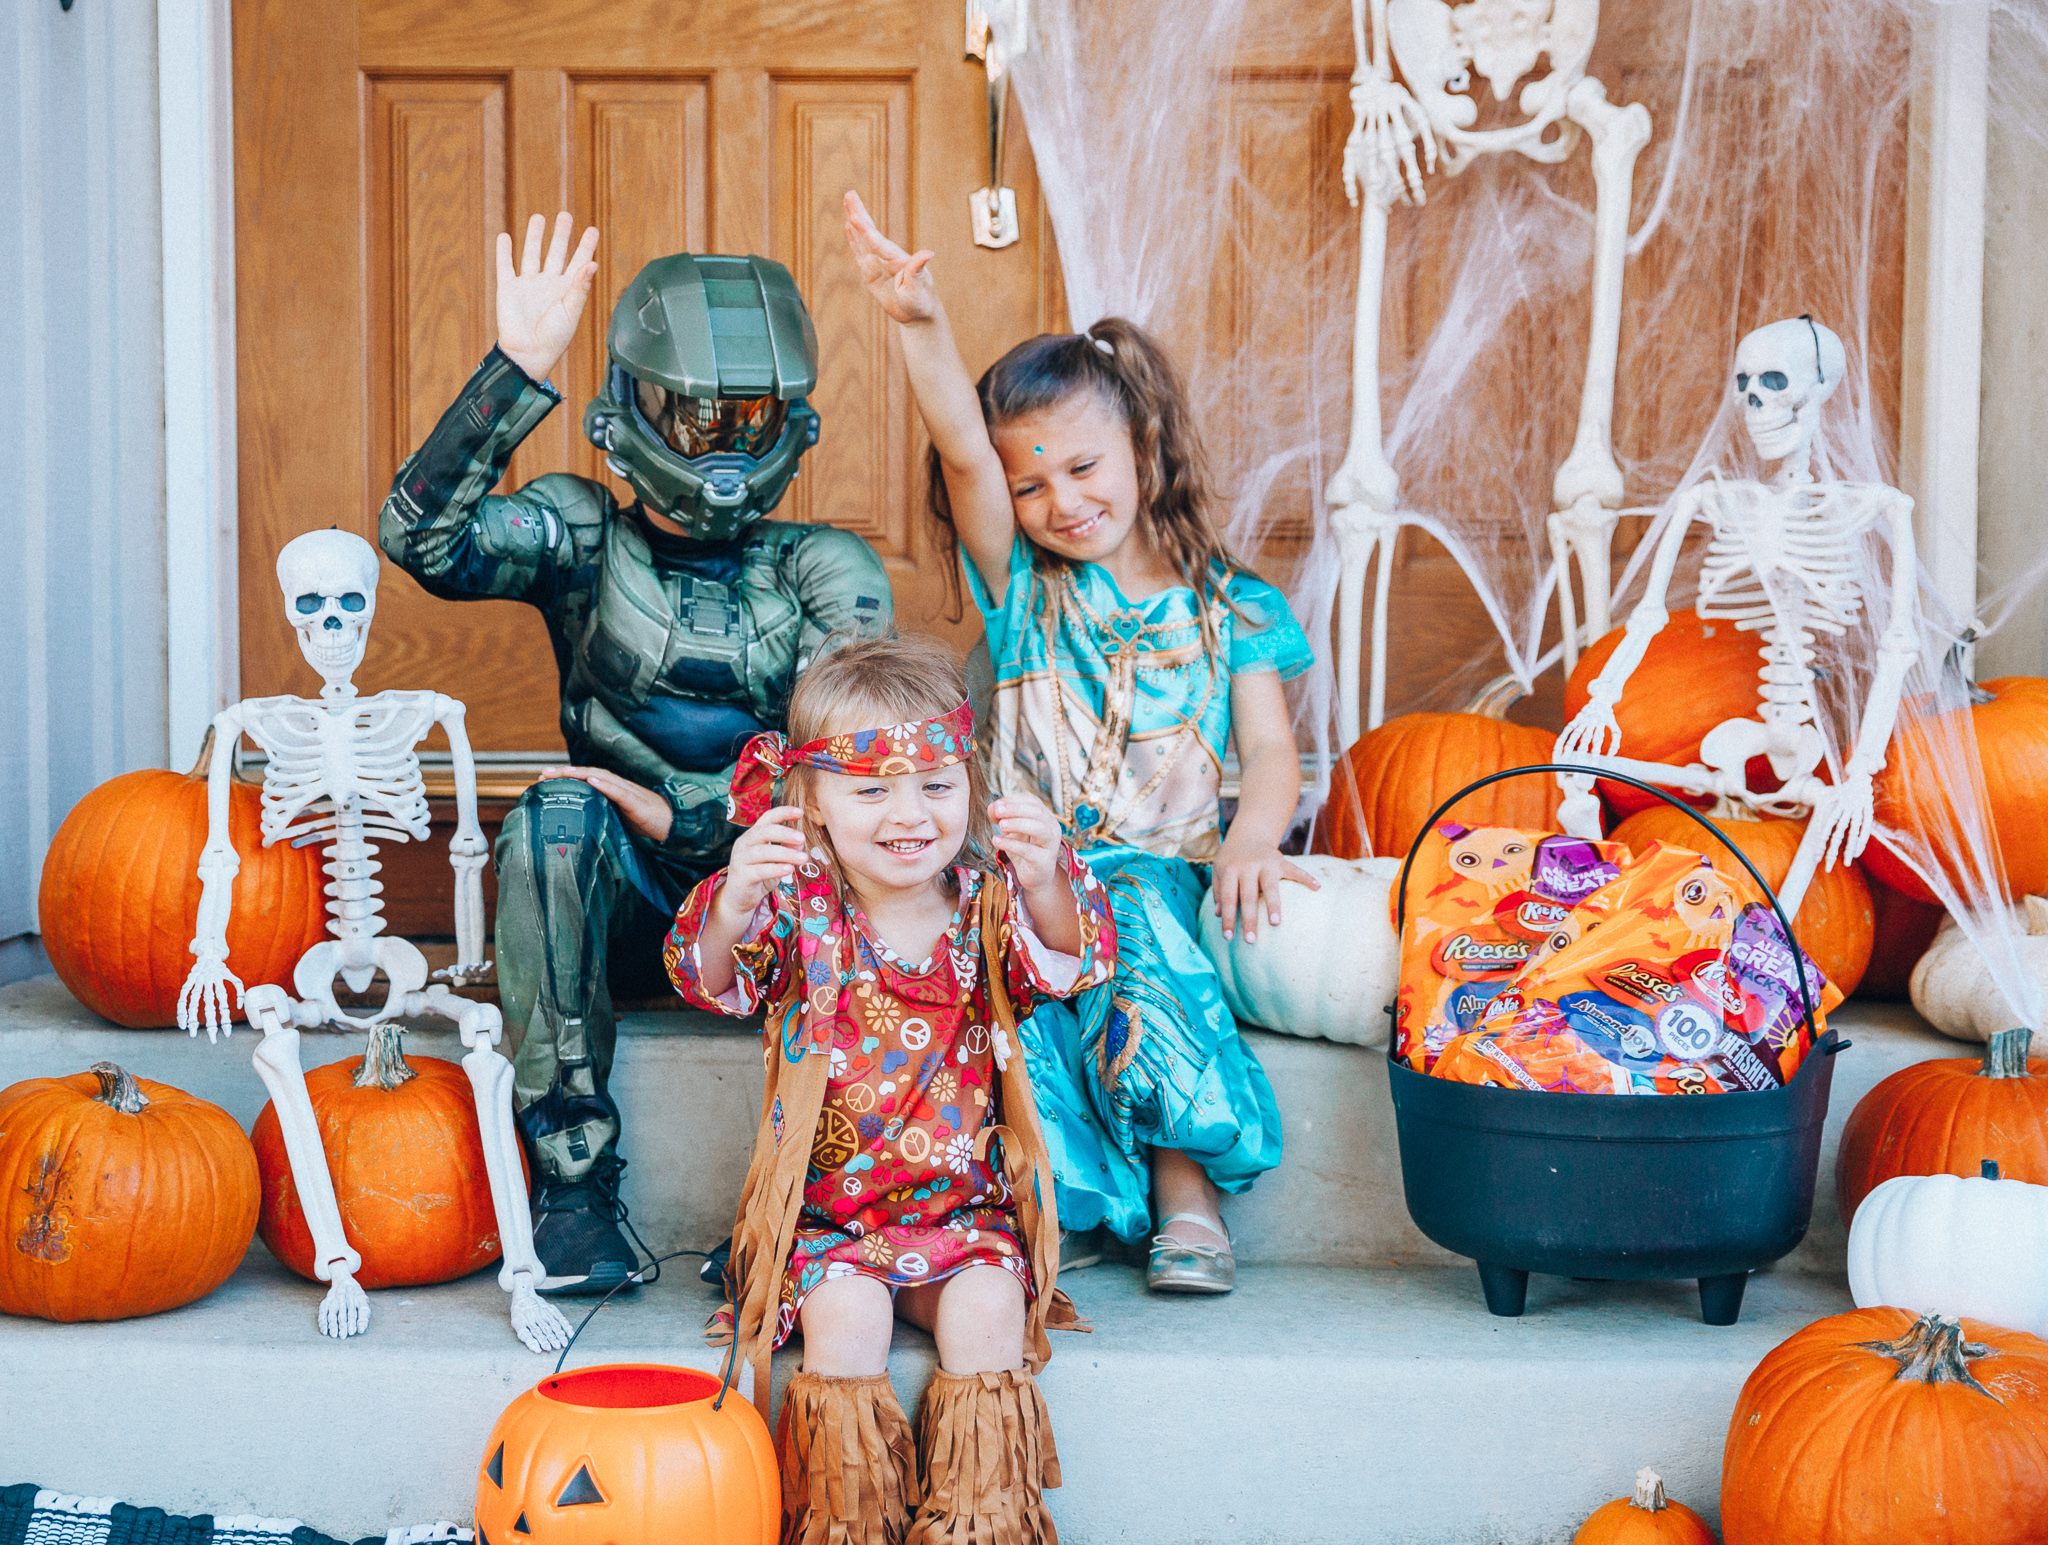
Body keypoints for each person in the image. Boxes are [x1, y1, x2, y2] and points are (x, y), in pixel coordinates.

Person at [377, 213, 891, 1294]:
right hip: (617, 907)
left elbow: (852, 760)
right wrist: (513, 372)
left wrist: (681, 817)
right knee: (553, 820)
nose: (717, 448)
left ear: (791, 420)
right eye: (688, 417)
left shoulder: (821, 566)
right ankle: (572, 1191)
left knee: (875, 840)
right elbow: (422, 539)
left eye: (745, 420)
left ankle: (807, 1201)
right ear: (629, 411)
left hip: (772, 899)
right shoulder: (580, 535)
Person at [844, 190, 1317, 1294]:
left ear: (1142, 445)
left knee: (1141, 940)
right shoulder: (1021, 589)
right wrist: (921, 327)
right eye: (1030, 483)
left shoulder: (1230, 605)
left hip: (1160, 875)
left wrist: (1253, 839)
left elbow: (1272, 749)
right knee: (1008, 993)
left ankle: (1183, 1193)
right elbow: (962, 452)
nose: (1060, 500)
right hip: (1022, 870)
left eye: (1082, 467)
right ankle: (1032, 1203)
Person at [668, 633, 1110, 1543]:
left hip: (968, 1214)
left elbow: (1071, 963)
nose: (908, 811)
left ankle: (984, 1521)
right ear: (813, 803)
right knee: (845, 1321)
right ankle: (846, 1522)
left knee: (989, 1313)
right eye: (871, 788)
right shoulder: (800, 910)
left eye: (936, 784)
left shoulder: (990, 906)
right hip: (833, 1223)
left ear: (971, 786)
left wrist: (1048, 877)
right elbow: (713, 980)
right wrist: (736, 900)